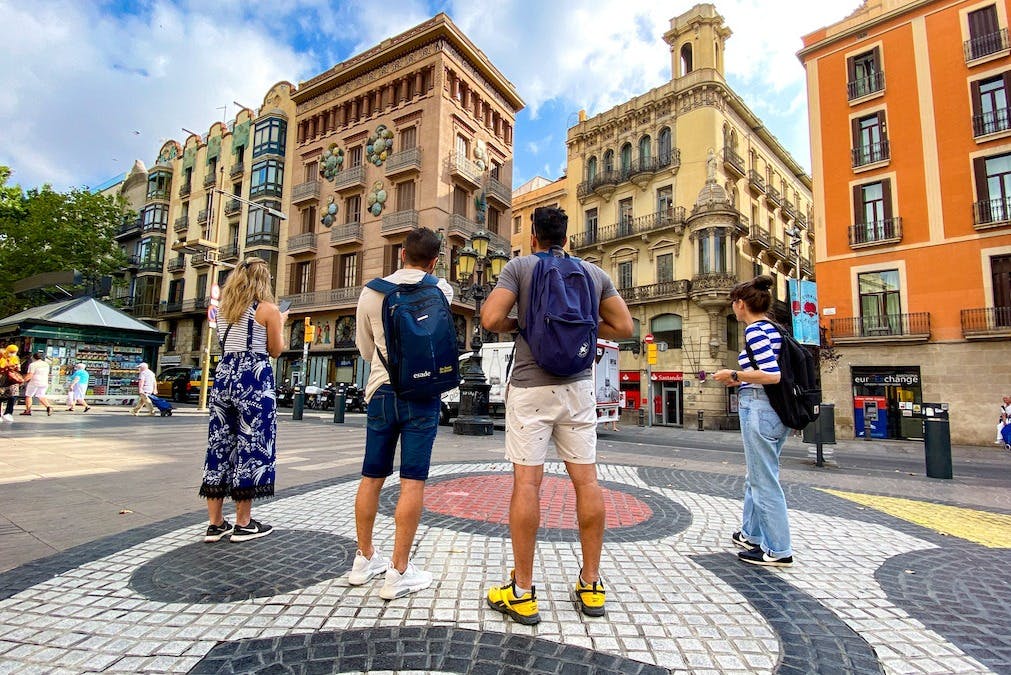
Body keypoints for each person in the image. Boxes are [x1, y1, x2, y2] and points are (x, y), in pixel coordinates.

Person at [480, 206, 633, 624]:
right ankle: (591, 584)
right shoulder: (593, 274)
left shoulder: (520, 267)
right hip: (578, 388)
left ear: (533, 237)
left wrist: (524, 324)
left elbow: (491, 318)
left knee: (527, 483)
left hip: (530, 387)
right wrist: (586, 327)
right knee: (587, 482)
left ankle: (523, 591)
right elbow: (624, 328)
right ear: (567, 237)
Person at [349, 227, 452, 600]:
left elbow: (364, 349)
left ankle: (364, 559)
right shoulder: (442, 290)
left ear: (401, 254)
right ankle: (399, 571)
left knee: (371, 476)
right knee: (412, 482)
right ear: (434, 261)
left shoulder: (371, 292)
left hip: (381, 391)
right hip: (422, 395)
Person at [199, 257, 286, 543]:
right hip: (253, 379)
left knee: (220, 445)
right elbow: (275, 350)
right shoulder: (268, 310)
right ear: (263, 281)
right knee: (252, 444)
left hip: (224, 376)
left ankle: (215, 523)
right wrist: (281, 323)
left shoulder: (224, 311)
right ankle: (243, 522)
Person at [713, 275, 794, 567]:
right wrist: (743, 381)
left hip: (760, 408)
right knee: (757, 477)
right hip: (771, 408)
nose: (733, 308)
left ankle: (779, 550)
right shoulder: (774, 328)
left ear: (740, 304)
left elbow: (772, 375)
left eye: (733, 303)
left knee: (763, 481)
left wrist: (733, 374)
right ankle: (751, 534)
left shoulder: (756, 330)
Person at [22, 352, 54, 416]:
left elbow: (30, 375)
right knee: (41, 396)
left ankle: (28, 410)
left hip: (34, 382)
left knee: (29, 395)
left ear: (33, 357)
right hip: (44, 382)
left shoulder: (33, 365)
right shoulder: (46, 364)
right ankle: (49, 406)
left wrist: (23, 381)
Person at [0, 345, 20, 422]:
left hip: (12, 380)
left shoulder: (16, 358)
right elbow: (2, 366)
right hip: (2, 380)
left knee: (14, 396)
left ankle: (8, 413)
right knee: (1, 396)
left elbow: (18, 368)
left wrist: (16, 367)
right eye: (11, 352)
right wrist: (8, 365)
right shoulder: (2, 358)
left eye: (14, 352)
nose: (13, 354)